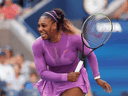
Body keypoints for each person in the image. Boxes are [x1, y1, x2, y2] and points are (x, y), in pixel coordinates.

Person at [32, 8, 112, 96]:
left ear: (54, 25)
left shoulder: (75, 38)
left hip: (75, 82)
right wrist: (66, 77)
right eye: (39, 26)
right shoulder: (37, 45)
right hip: (53, 84)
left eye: (44, 26)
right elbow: (42, 73)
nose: (40, 29)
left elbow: (90, 55)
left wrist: (97, 77)